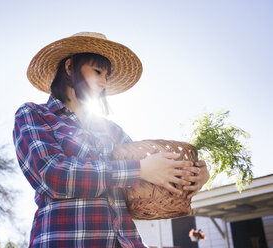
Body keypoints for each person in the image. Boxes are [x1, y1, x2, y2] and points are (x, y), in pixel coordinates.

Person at [13, 32, 209, 248]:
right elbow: (52, 174)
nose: (103, 82)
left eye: (106, 76)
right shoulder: (34, 114)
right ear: (69, 68)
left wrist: (189, 176)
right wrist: (138, 170)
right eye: (97, 71)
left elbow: (143, 189)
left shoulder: (113, 132)